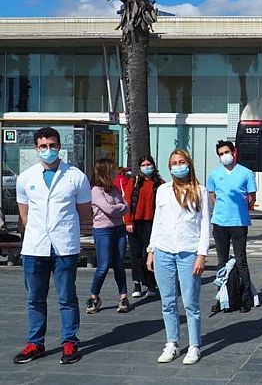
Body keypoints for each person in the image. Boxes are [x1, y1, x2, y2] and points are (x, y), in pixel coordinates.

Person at [13, 127, 92, 365]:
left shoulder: (76, 176)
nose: (48, 150)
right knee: (35, 297)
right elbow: (24, 215)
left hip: (64, 246)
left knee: (66, 296)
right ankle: (35, 343)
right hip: (35, 247)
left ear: (60, 146)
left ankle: (69, 341)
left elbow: (84, 212)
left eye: (53, 145)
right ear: (36, 148)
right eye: (43, 146)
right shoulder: (26, 178)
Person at [146, 149, 210, 365]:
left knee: (191, 302)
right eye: (174, 162)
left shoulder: (200, 191)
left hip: (188, 252)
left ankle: (194, 345)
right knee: (168, 301)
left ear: (189, 164)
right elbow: (158, 221)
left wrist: (202, 254)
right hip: (164, 250)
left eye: (182, 162)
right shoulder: (162, 190)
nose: (178, 166)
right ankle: (172, 342)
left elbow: (204, 225)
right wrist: (151, 249)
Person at [208, 140, 257, 313]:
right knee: (221, 262)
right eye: (221, 154)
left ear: (234, 152)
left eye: (226, 152)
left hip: (239, 222)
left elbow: (252, 197)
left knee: (241, 260)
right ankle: (222, 297)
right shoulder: (214, 174)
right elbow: (212, 196)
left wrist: (240, 209)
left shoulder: (246, 173)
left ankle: (245, 297)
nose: (224, 156)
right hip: (220, 223)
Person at [86, 158, 130, 315]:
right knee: (103, 266)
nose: (114, 174)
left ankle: (123, 296)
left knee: (119, 264)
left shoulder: (114, 189)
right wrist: (119, 207)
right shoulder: (96, 191)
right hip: (103, 230)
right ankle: (94, 296)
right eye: (111, 171)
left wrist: (118, 207)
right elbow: (110, 209)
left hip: (119, 229)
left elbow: (126, 206)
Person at [124, 155, 164, 299]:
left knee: (149, 253)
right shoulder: (134, 182)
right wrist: (128, 221)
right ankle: (137, 283)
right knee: (136, 254)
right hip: (135, 222)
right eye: (144, 165)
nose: (147, 167)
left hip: (152, 223)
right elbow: (127, 202)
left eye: (149, 164)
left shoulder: (160, 183)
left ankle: (151, 284)